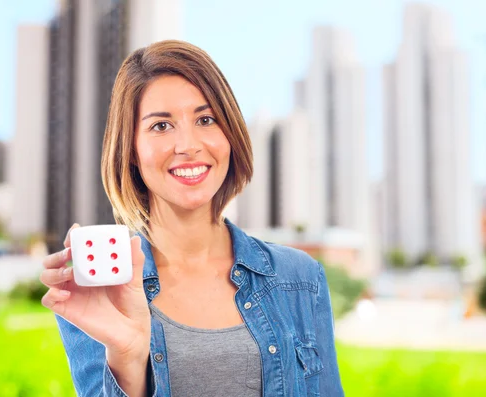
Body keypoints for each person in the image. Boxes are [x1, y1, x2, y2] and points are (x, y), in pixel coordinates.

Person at [39, 40, 344, 397]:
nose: (188, 145)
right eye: (161, 126)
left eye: (206, 119)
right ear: (132, 150)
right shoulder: (102, 290)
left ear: (229, 133)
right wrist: (127, 359)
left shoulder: (301, 278)